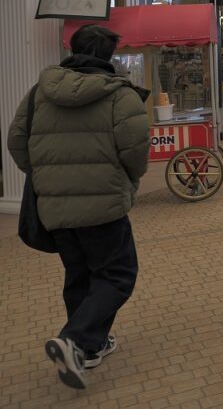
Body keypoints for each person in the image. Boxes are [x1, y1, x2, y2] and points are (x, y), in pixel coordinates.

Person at [7, 25, 148, 389]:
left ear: (72, 50)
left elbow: (17, 141)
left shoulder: (40, 92)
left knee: (79, 275)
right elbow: (135, 150)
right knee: (117, 275)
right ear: (109, 56)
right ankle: (73, 340)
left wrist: (46, 175)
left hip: (55, 208)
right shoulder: (120, 95)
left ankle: (89, 348)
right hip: (104, 205)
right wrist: (128, 181)